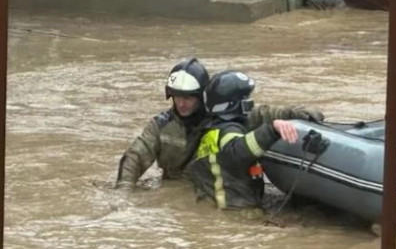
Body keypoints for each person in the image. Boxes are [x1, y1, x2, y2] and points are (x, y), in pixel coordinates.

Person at [116, 58, 325, 189]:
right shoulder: (160, 126)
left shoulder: (223, 117)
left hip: (215, 191)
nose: (181, 103)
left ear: (201, 97)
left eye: (187, 97)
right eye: (176, 97)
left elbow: (262, 114)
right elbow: (135, 157)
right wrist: (123, 192)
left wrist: (294, 113)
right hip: (179, 190)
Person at [187, 70, 305, 210]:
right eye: (246, 98)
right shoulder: (228, 131)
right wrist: (272, 130)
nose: (250, 103)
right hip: (235, 212)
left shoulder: (213, 129)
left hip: (220, 206)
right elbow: (239, 152)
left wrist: (290, 114)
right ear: (235, 103)